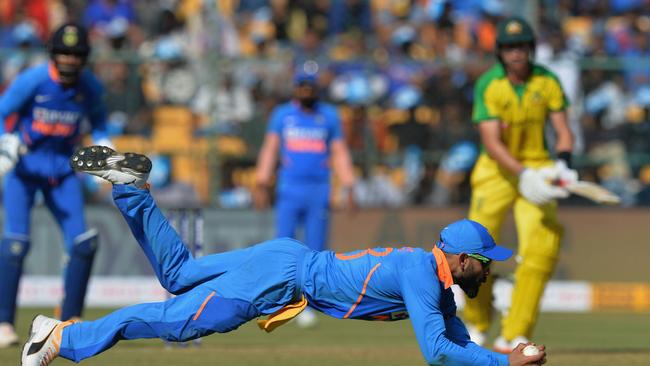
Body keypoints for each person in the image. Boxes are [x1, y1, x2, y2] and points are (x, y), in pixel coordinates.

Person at [22, 145, 547, 366]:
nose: (489, 267)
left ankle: (132, 188)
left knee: (178, 275)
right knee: (177, 324)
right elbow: (435, 352)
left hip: (288, 258)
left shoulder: (431, 278)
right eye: (486, 259)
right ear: (459, 258)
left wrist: (505, 358)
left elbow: (454, 339)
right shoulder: (419, 276)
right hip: (282, 280)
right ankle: (62, 337)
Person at [463, 16, 578, 351]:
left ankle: (515, 331)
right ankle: (477, 321)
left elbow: (564, 131)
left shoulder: (547, 81)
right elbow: (492, 142)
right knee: (473, 248)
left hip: (539, 169)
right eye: (510, 47)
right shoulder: (489, 84)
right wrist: (522, 173)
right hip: (496, 171)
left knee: (541, 248)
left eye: (522, 46)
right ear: (500, 51)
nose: (517, 53)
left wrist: (565, 164)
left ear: (531, 48)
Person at [0, 22, 112, 348]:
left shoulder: (89, 86)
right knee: (15, 246)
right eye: (63, 53)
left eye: (75, 55)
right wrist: (6, 142)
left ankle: (71, 320)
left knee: (83, 243)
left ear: (84, 58)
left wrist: (106, 147)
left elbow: (100, 121)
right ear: (53, 54)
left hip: (62, 175)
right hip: (24, 171)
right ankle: (4, 322)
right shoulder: (33, 80)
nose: (69, 60)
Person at [253, 67, 356, 326]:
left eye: (311, 87)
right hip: (289, 188)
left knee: (315, 248)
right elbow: (271, 149)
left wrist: (349, 184)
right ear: (296, 88)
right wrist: (262, 181)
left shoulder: (329, 116)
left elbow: (339, 151)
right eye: (303, 87)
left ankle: (308, 303)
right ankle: (281, 300)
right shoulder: (283, 115)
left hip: (318, 189)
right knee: (284, 246)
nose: (307, 92)